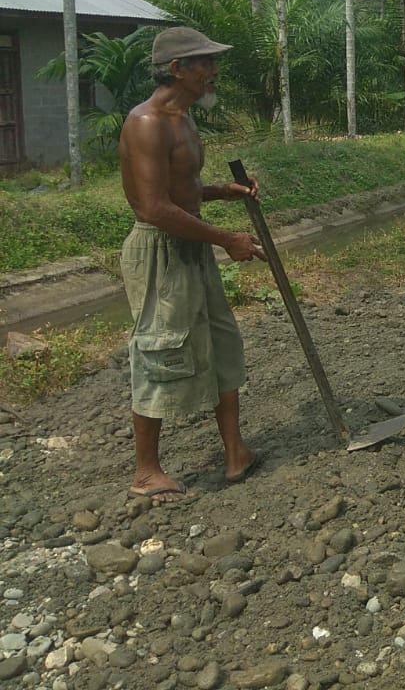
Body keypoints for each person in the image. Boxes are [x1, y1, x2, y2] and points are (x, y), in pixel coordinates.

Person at [118, 26, 266, 504]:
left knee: (221, 342)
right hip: (160, 250)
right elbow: (153, 207)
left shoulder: (184, 119)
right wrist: (226, 239)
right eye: (204, 63)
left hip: (193, 245)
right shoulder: (147, 123)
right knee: (161, 349)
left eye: (213, 62)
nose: (213, 71)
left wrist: (223, 192)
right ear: (177, 69)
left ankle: (235, 452)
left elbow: (184, 190)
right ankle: (146, 472)